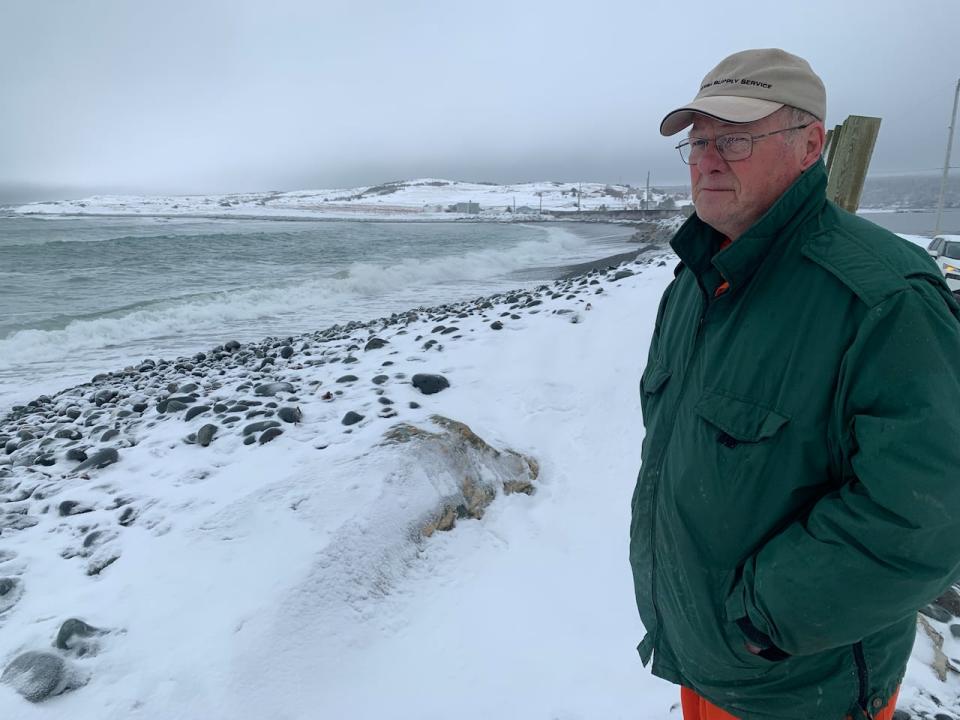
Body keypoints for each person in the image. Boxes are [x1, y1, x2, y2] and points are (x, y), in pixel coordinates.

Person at [629, 48, 960, 720]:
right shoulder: (696, 282)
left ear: (810, 144)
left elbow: (929, 512)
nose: (708, 158)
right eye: (698, 142)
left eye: (735, 138)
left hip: (803, 686)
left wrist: (762, 623)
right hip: (702, 658)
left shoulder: (882, 299)